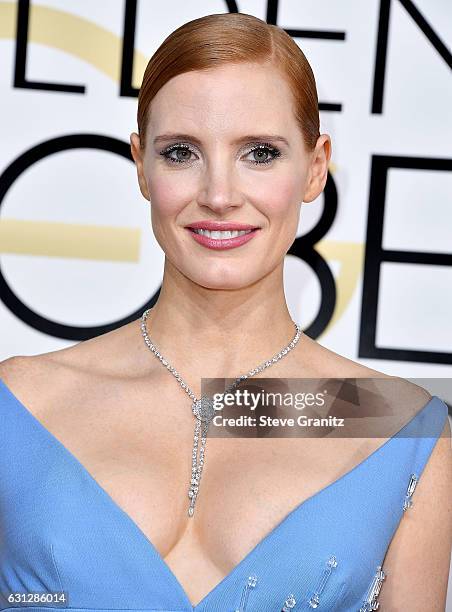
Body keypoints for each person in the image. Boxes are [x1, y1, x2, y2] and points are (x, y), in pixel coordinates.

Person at [0, 12, 450, 612]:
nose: (218, 195)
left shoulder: (398, 428)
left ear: (316, 167)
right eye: (181, 152)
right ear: (141, 165)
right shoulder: (22, 402)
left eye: (260, 153)